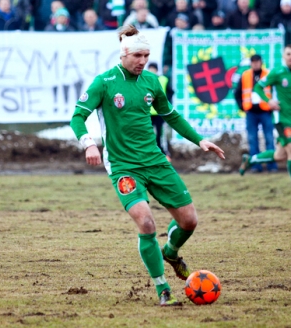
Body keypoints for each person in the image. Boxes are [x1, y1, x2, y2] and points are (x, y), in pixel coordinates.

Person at [70, 25, 225, 307]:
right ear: (124, 54)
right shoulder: (103, 83)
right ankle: (163, 288)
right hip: (123, 166)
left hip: (155, 160)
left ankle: (171, 251)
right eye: (138, 55)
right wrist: (89, 143)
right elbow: (77, 117)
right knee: (147, 222)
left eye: (146, 55)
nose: (143, 61)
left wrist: (199, 140)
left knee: (189, 221)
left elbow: (171, 116)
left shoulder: (153, 82)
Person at [240, 45, 291, 200]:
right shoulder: (277, 72)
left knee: (280, 155)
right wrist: (270, 101)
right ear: (284, 56)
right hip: (282, 120)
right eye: (288, 54)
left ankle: (251, 160)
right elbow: (258, 87)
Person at [234, 55, 278, 173]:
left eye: (257, 62)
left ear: (261, 62)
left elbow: (276, 91)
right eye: (253, 62)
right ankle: (255, 166)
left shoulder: (268, 74)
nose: (255, 64)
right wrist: (242, 106)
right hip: (251, 112)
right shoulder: (245, 75)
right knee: (252, 139)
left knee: (269, 138)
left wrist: (273, 105)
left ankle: (271, 165)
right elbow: (237, 92)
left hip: (265, 111)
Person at [147, 62, 173, 160]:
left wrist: (166, 105)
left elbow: (170, 93)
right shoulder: (143, 81)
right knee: (148, 135)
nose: (151, 71)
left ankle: (164, 154)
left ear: (157, 70)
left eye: (153, 69)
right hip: (148, 113)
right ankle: (150, 155)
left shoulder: (163, 80)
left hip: (159, 113)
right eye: (150, 69)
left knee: (160, 135)